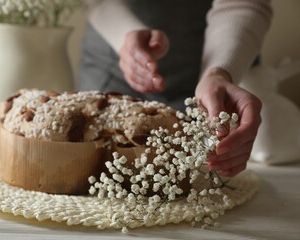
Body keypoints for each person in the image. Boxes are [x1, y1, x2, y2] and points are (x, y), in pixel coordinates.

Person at [79, 0, 273, 177]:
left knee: (205, 176)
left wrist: (219, 73)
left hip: (217, 66)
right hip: (112, 70)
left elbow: (242, 3)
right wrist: (126, 40)